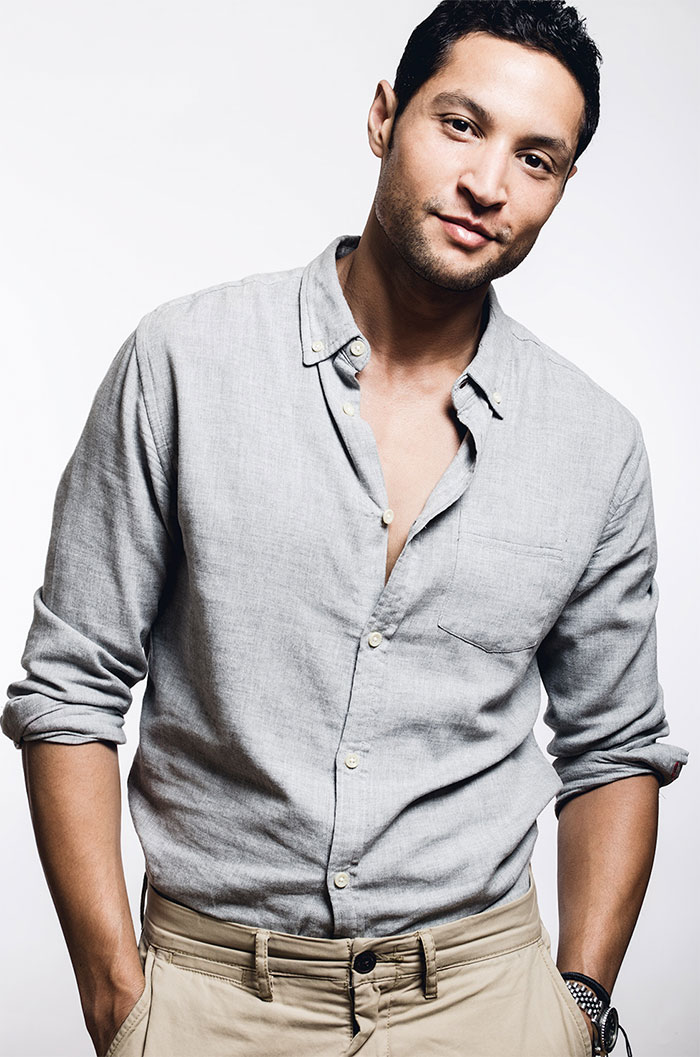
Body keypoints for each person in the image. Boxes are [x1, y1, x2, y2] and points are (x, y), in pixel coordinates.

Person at [2, 2, 688, 1055]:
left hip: (485, 1001)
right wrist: (117, 999)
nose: (488, 183)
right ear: (383, 117)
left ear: (560, 186)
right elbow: (70, 685)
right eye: (460, 124)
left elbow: (614, 748)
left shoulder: (595, 444)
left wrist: (578, 1008)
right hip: (213, 999)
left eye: (535, 157)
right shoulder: (184, 363)